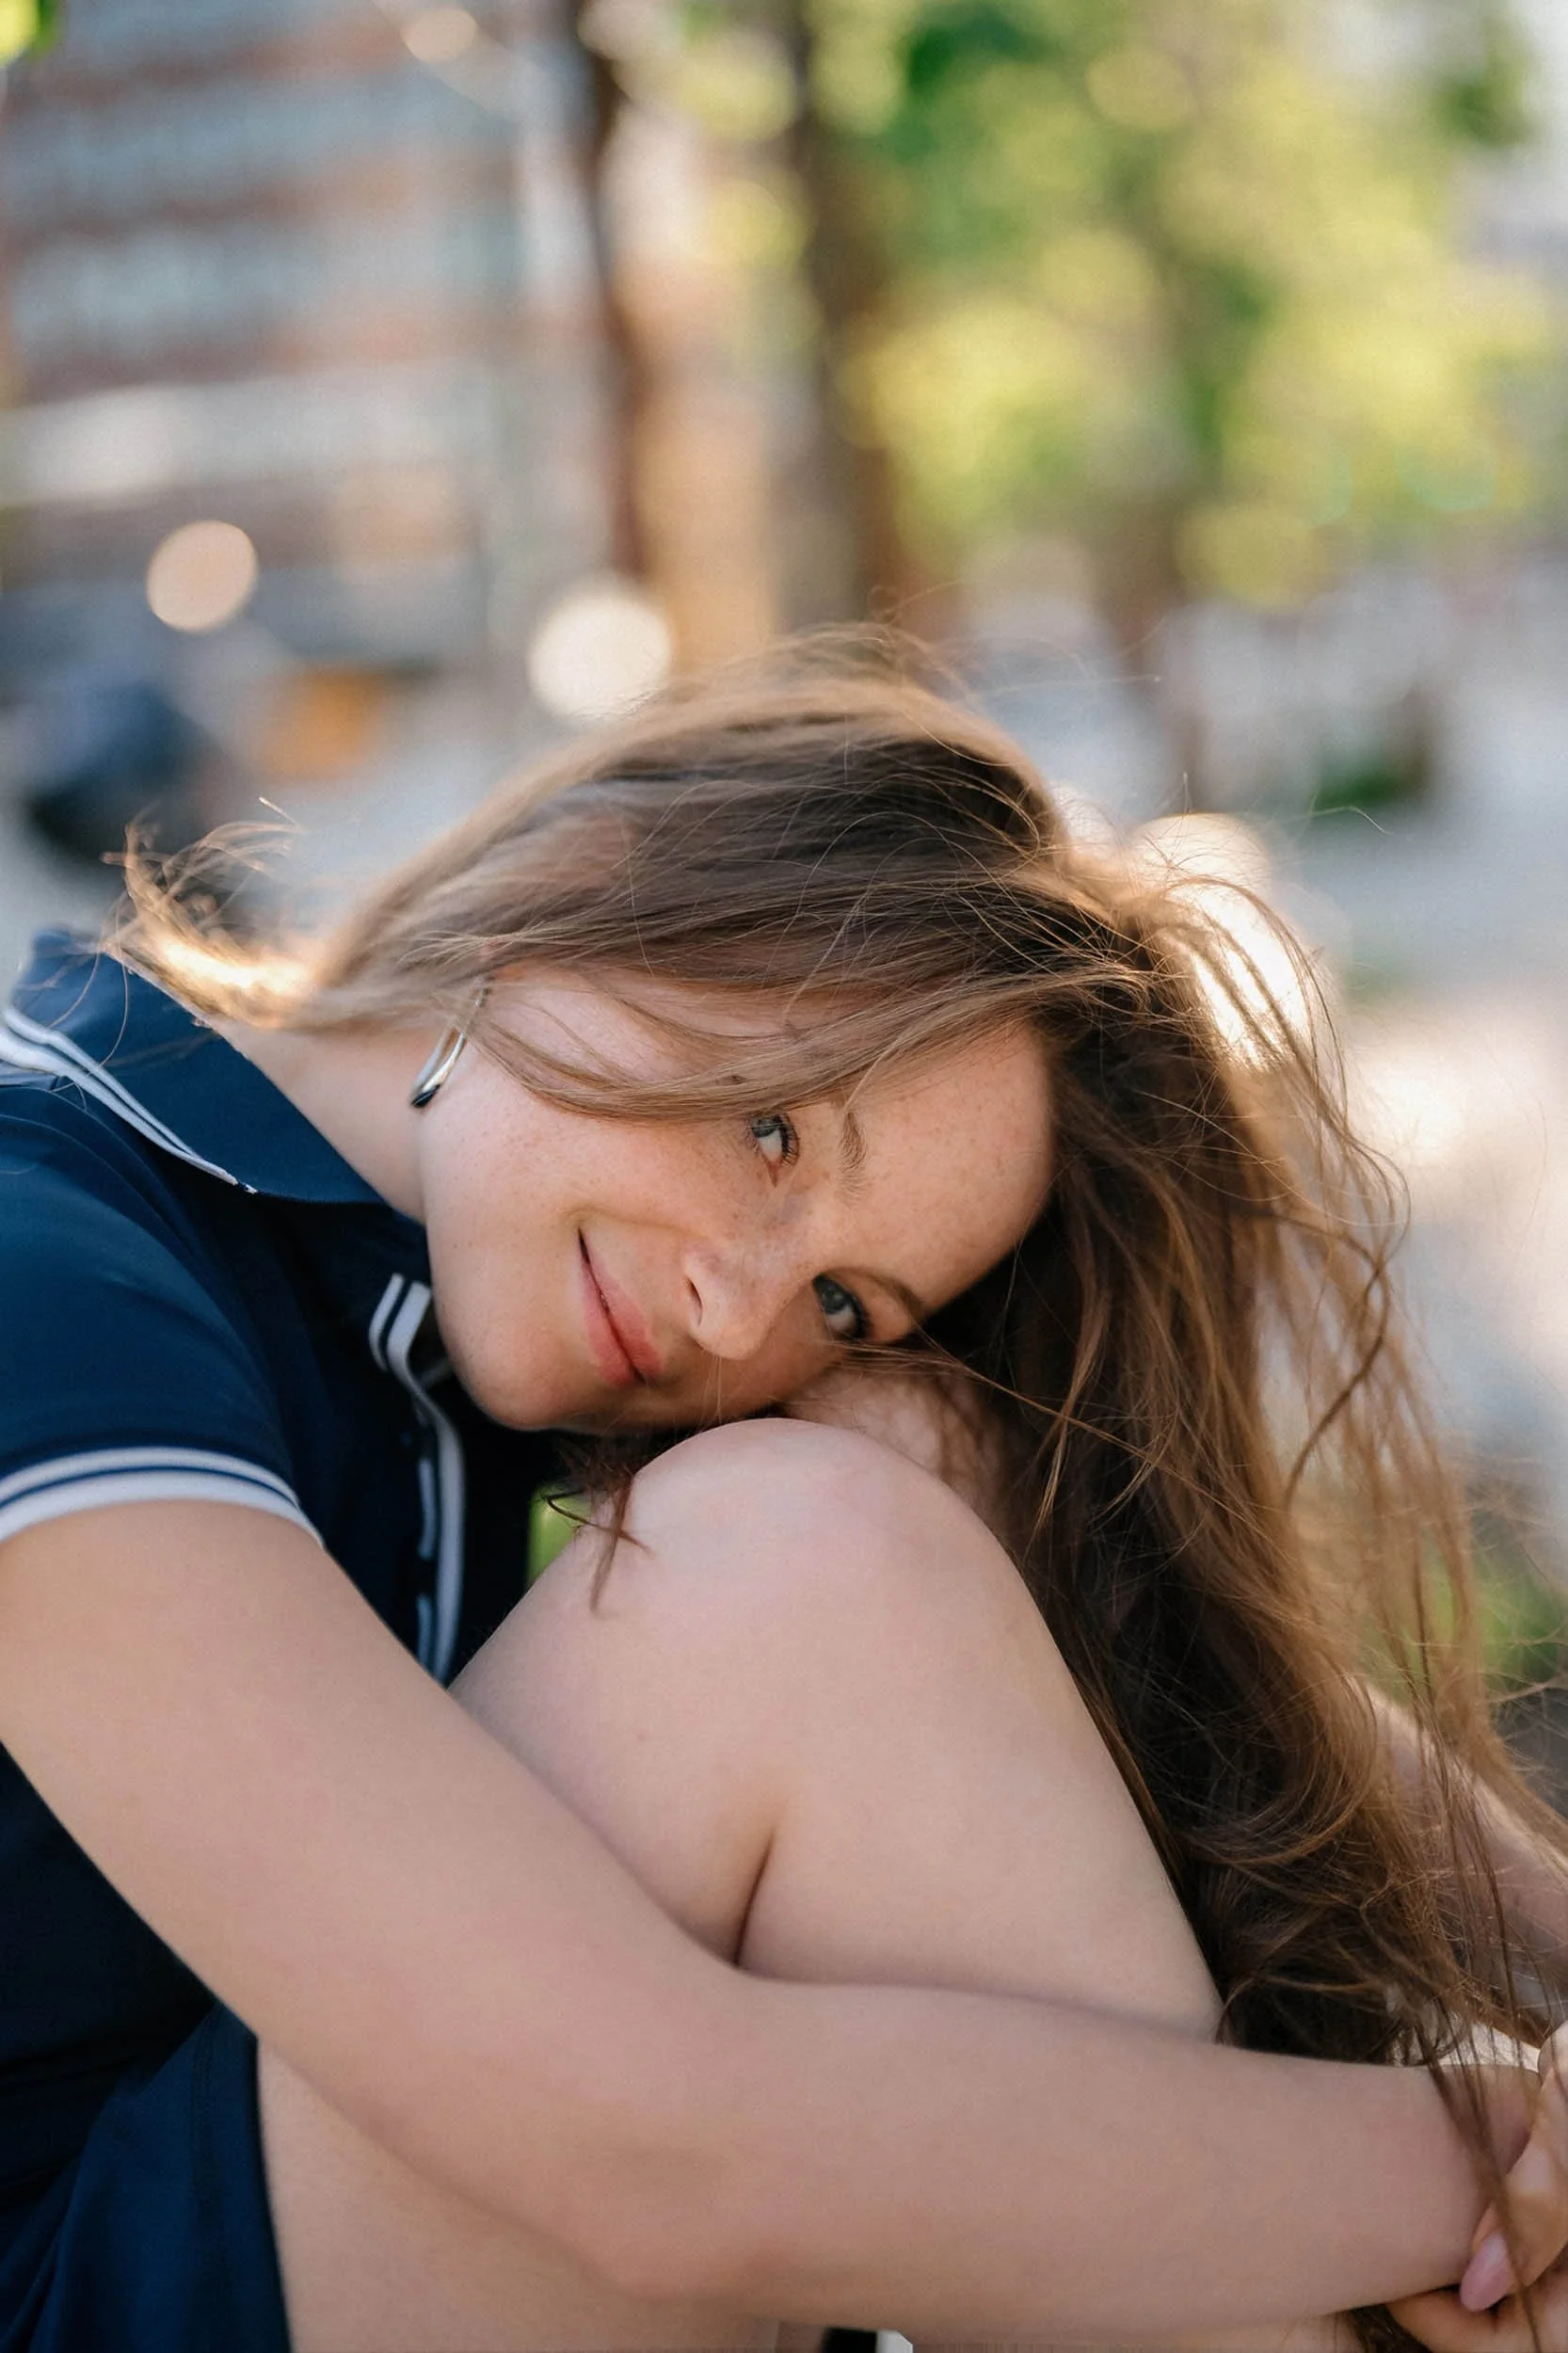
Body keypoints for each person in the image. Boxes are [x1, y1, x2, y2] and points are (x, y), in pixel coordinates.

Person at [0, 652, 1565, 2353]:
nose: (738, 1313)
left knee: (898, 1457)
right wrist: (1483, 2173)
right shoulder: (45, 1252)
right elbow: (654, 2152)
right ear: (592, 882)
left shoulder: (432, 1278)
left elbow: (1150, 1610)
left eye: (840, 1298)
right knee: (805, 1559)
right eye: (769, 1136)